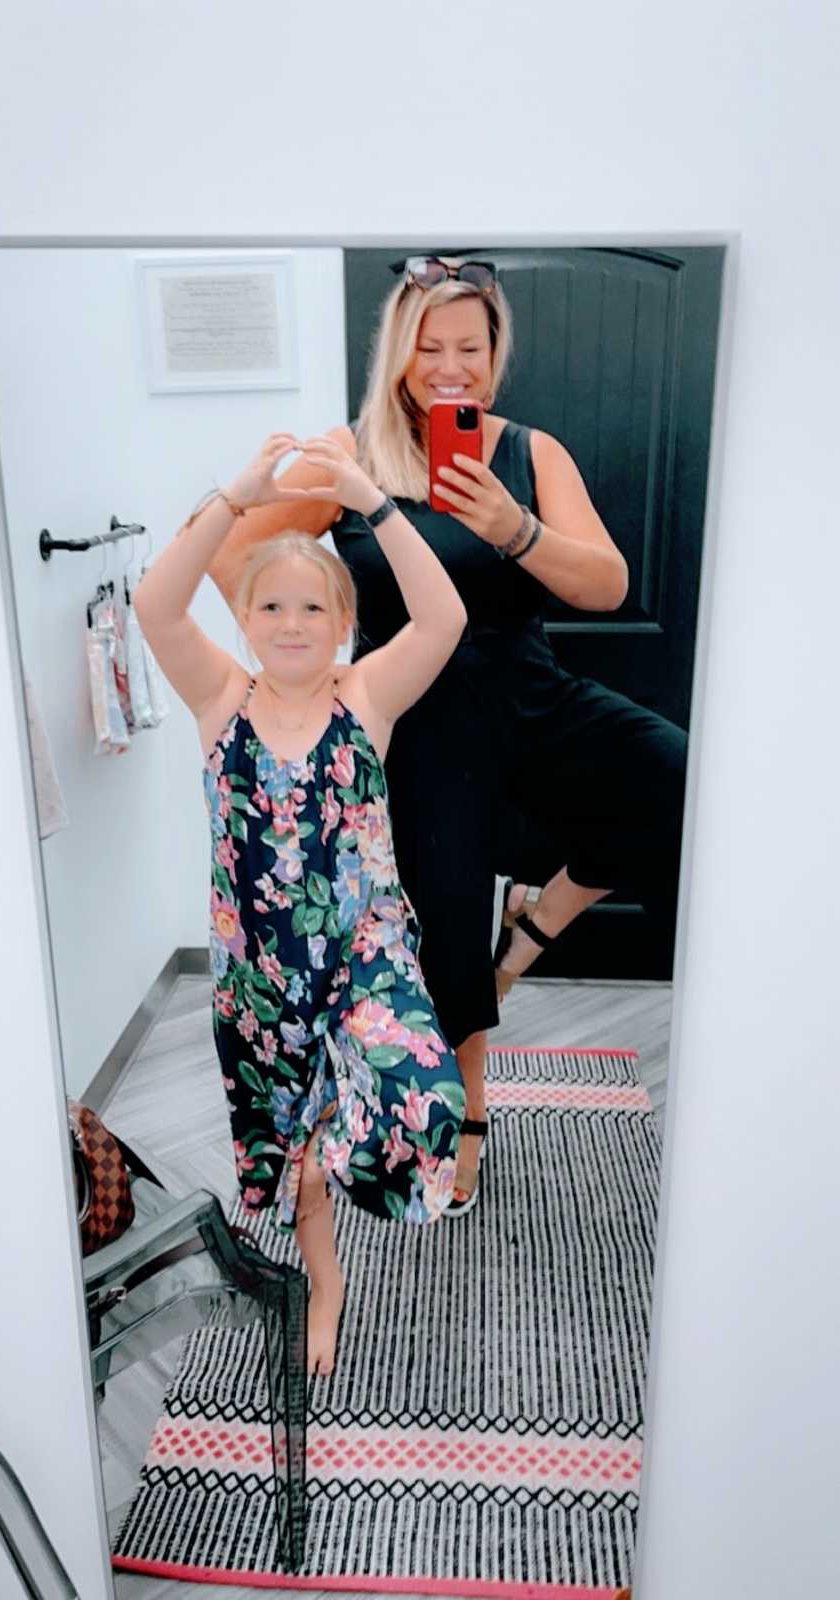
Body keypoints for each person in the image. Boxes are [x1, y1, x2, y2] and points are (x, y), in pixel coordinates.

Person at [208, 256, 687, 1217]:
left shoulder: (529, 452)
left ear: (494, 353)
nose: (451, 366)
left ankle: (535, 928)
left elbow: (606, 585)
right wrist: (313, 666)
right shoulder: (348, 459)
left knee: (674, 782)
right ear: (401, 353)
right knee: (443, 919)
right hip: (413, 714)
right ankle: (466, 1109)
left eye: (470, 346)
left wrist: (516, 529)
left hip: (526, 692)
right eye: (431, 347)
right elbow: (233, 562)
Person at [134, 431, 468, 1376]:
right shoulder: (220, 700)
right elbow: (158, 604)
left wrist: (374, 504)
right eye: (271, 606)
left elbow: (443, 620)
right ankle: (324, 1284)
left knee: (423, 1097)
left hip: (366, 960)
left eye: (311, 607)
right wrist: (233, 501)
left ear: (341, 622)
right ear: (244, 619)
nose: (290, 622)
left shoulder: (365, 697)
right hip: (261, 980)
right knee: (295, 1160)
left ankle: (339, 1163)